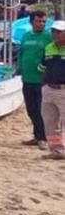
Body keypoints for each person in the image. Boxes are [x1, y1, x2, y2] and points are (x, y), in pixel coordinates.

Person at [17, 10, 51, 150]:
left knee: (40, 110)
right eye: (38, 21)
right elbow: (21, 53)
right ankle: (37, 135)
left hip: (41, 79)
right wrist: (18, 68)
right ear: (31, 22)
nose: (41, 24)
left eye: (43, 21)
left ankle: (43, 138)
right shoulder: (25, 36)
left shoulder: (48, 37)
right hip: (27, 78)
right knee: (31, 110)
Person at [41, 21, 65, 159]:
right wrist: (44, 85)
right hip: (49, 89)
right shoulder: (49, 47)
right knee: (50, 122)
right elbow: (42, 67)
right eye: (53, 31)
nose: (55, 34)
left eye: (58, 32)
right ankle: (56, 150)